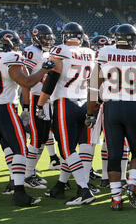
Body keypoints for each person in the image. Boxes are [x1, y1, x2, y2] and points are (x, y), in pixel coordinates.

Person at [0, 29, 54, 206]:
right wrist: (44, 69)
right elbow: (27, 82)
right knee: (20, 149)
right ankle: (19, 193)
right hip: (5, 108)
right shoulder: (11, 58)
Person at [86, 24, 136, 211]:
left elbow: (93, 87)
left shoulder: (105, 53)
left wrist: (90, 112)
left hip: (111, 108)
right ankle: (132, 182)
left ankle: (116, 199)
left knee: (114, 155)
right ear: (133, 39)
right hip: (133, 107)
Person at [36, 22, 97, 205]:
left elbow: (53, 77)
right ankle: (64, 184)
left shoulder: (60, 50)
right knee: (81, 146)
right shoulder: (90, 52)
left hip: (65, 102)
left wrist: (40, 104)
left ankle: (83, 190)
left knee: (66, 149)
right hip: (85, 101)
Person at [21, 24, 59, 190]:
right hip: (35, 98)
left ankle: (30, 172)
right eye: (44, 38)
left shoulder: (45, 52)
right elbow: (26, 80)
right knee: (36, 138)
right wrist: (26, 106)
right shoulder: (31, 51)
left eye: (49, 38)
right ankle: (26, 175)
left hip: (44, 99)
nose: (47, 41)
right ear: (36, 37)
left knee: (43, 138)